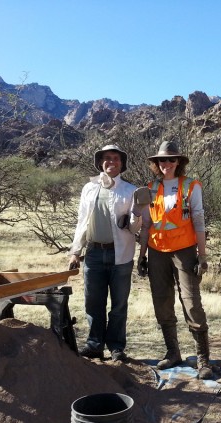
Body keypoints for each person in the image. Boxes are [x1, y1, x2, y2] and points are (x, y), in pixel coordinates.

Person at [137, 140, 213, 380]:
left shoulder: (191, 186)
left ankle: (203, 359)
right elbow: (147, 225)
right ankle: (173, 353)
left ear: (178, 162)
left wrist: (202, 255)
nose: (166, 164)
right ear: (156, 163)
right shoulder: (150, 188)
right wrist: (141, 256)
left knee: (191, 302)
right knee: (161, 301)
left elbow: (198, 220)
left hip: (185, 250)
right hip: (157, 251)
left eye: (171, 159)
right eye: (162, 160)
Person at [68, 144, 150, 361]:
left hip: (120, 254)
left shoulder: (131, 191)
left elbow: (135, 228)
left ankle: (116, 347)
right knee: (93, 302)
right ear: (100, 162)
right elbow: (82, 221)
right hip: (94, 253)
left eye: (115, 158)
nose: (111, 162)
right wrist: (75, 251)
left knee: (118, 304)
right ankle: (94, 345)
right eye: (107, 158)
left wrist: (136, 215)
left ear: (121, 164)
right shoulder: (89, 188)